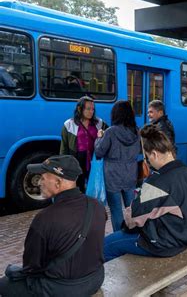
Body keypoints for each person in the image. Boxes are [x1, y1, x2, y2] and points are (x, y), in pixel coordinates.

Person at [0, 155, 106, 296]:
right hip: (95, 279)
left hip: (61, 289)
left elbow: (31, 267)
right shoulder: (97, 206)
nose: (39, 183)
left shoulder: (45, 218)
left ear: (57, 182)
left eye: (43, 178)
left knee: (5, 284)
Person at [103, 126, 187, 262]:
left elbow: (133, 219)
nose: (148, 162)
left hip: (166, 243)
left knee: (105, 245)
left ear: (154, 154)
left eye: (147, 158)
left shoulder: (157, 182)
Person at [94, 100, 141, 232]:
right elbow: (139, 151)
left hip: (112, 176)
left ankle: (119, 236)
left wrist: (98, 138)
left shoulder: (110, 132)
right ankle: (133, 232)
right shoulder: (136, 132)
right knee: (131, 208)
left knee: (115, 210)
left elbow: (99, 152)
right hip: (131, 174)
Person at [60, 96, 107, 192]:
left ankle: (92, 204)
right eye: (88, 109)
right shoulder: (69, 124)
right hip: (77, 160)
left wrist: (103, 134)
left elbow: (109, 136)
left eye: (93, 109)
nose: (91, 112)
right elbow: (64, 148)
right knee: (78, 187)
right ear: (79, 108)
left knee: (94, 186)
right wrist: (63, 165)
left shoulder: (99, 123)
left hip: (94, 159)